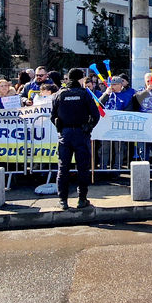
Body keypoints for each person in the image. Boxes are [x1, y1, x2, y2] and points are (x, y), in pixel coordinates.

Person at [50, 68, 100, 210]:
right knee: (83, 168)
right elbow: (95, 115)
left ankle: (62, 200)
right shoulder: (85, 94)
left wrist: (60, 128)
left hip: (65, 135)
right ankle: (81, 199)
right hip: (81, 134)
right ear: (81, 79)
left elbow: (53, 116)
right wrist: (89, 127)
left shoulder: (59, 94)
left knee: (63, 168)